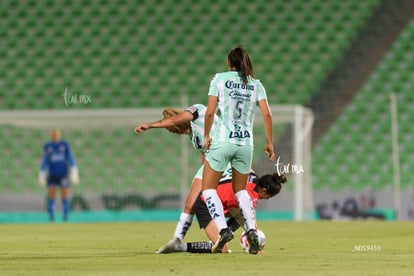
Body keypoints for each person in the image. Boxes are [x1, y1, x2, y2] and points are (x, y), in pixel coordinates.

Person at [202, 45, 275, 254]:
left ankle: (223, 229)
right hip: (246, 144)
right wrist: (270, 142)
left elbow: (209, 113)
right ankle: (251, 229)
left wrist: (207, 135)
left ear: (229, 63)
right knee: (241, 190)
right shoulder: (256, 85)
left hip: (224, 141)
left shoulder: (219, 79)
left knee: (208, 189)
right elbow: (268, 115)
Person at [135, 104, 231, 253]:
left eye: (173, 129)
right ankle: (178, 240)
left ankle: (243, 233)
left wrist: (150, 125)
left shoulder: (198, 111)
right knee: (190, 203)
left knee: (217, 202)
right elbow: (204, 153)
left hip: (224, 159)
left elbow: (174, 120)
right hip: (212, 162)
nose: (175, 132)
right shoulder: (193, 135)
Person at [159, 171, 287, 254]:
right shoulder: (251, 194)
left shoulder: (253, 177)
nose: (266, 199)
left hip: (222, 202)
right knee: (223, 250)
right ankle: (180, 247)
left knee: (241, 215)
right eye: (268, 196)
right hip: (205, 204)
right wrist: (255, 243)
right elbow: (251, 219)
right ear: (264, 190)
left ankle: (225, 234)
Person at [38, 128, 80, 221]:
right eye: (54, 134)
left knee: (65, 194)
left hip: (63, 174)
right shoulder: (48, 146)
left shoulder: (64, 145)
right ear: (51, 135)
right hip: (52, 174)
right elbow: (45, 160)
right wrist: (42, 173)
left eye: (57, 134)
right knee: (51, 194)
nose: (55, 135)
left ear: (59, 135)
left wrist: (74, 170)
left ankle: (66, 215)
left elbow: (70, 158)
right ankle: (51, 215)